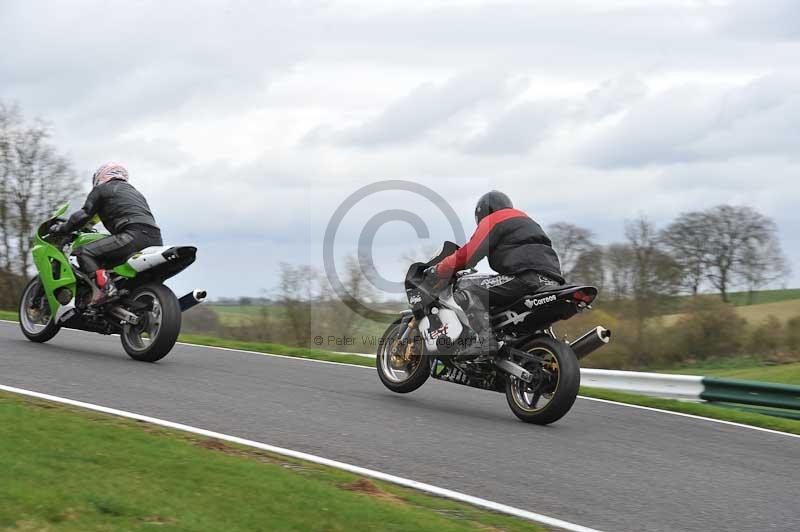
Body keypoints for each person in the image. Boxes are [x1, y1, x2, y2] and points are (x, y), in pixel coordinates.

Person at [425, 190, 563, 357]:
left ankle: (485, 340)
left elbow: (469, 253)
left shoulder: (495, 219)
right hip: (552, 279)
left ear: (483, 211)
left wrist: (440, 268)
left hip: (525, 276)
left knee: (468, 286)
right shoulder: (528, 221)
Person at [51, 163, 163, 306]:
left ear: (100, 176)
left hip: (131, 235)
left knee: (82, 252)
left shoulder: (102, 189)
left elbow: (84, 215)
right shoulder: (135, 193)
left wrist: (62, 228)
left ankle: (107, 289)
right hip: (155, 239)